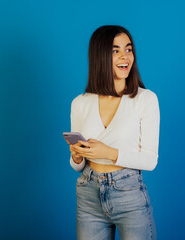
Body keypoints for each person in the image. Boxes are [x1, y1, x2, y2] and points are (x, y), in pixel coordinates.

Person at [66, 25, 160, 240]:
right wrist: (76, 156)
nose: (125, 56)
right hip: (88, 194)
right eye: (115, 51)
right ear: (100, 57)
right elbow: (76, 165)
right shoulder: (80, 103)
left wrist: (109, 152)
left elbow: (150, 160)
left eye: (128, 49)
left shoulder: (146, 100)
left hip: (129, 194)